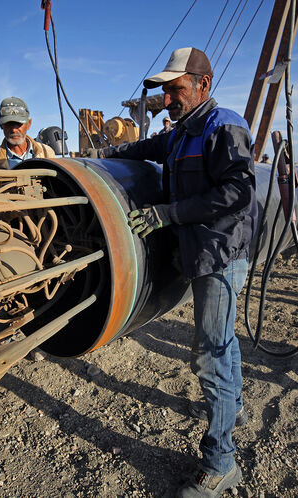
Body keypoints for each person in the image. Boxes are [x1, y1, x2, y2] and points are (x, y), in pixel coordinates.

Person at [90, 47, 256, 496]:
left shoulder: (224, 127)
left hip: (220, 254)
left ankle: (221, 462)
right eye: (165, 91)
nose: (168, 99)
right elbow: (148, 147)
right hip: (201, 252)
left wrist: (169, 213)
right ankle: (234, 406)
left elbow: (239, 192)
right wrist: (108, 154)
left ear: (203, 85)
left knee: (209, 355)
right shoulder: (183, 132)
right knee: (223, 340)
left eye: (175, 89)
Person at [0, 97, 55, 169]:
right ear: (0, 124)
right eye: (8, 124)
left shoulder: (47, 153)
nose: (14, 130)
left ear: (29, 124)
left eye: (19, 124)